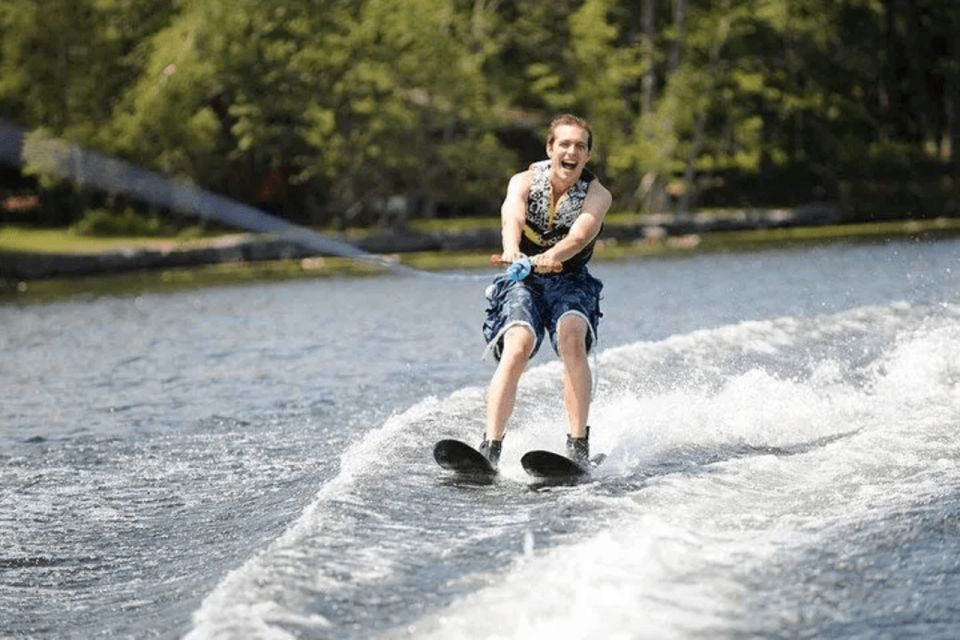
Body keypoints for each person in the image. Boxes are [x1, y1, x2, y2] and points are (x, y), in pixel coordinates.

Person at [479, 113, 612, 468]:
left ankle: (578, 446)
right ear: (550, 148)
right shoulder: (523, 182)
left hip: (571, 279)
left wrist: (548, 257)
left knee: (571, 338)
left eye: (580, 147)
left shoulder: (597, 195)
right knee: (518, 344)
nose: (572, 152)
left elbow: (579, 236)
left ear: (586, 156)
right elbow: (513, 218)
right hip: (523, 279)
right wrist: (512, 250)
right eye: (564, 144)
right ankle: (489, 447)